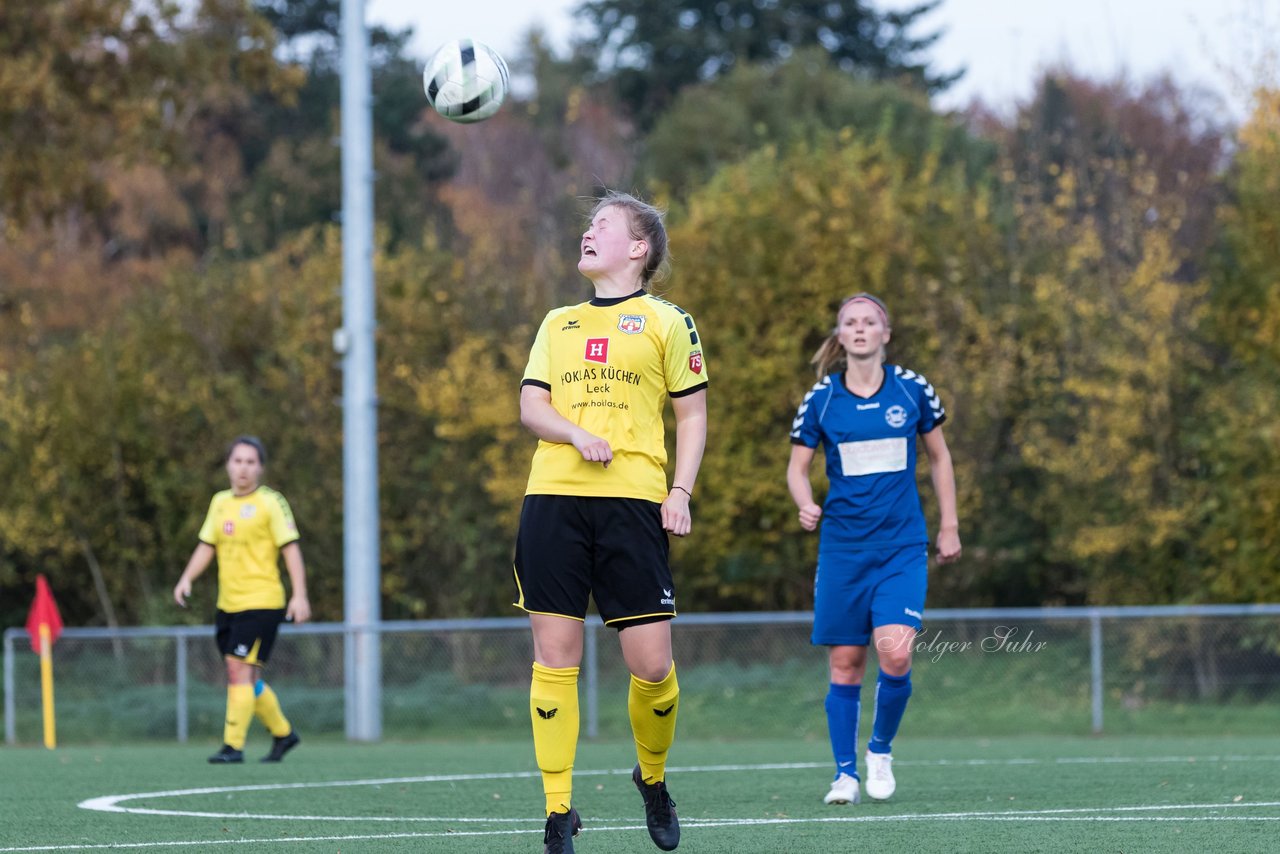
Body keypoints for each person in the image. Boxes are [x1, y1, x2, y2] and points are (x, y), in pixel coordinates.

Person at [514, 191, 708, 854]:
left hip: (633, 504)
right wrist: (573, 434)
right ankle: (558, 811)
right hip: (554, 500)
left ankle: (651, 779)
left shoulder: (668, 321)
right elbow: (531, 407)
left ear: (639, 247)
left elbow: (692, 416)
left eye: (603, 224)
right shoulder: (558, 322)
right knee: (554, 659)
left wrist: (679, 491)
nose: (588, 232)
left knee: (652, 668)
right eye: (589, 225)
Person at [786, 293, 961, 805]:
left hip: (901, 547)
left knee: (896, 653)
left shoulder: (912, 391)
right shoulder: (820, 399)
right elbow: (797, 469)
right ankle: (845, 775)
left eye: (869, 322)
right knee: (845, 663)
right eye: (850, 323)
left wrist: (949, 525)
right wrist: (805, 503)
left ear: (886, 333)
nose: (859, 329)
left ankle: (879, 751)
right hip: (843, 550)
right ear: (840, 336)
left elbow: (940, 459)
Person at [173, 435, 311, 764]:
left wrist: (300, 595)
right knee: (248, 678)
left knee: (237, 671)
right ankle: (283, 734)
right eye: (238, 461)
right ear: (227, 465)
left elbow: (290, 547)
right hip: (229, 604)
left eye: (251, 462)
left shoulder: (271, 502)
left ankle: (232, 747)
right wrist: (187, 578)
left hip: (262, 601)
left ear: (260, 468)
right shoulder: (220, 502)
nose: (243, 468)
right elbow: (208, 544)